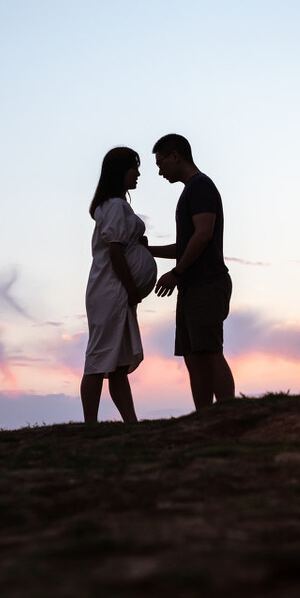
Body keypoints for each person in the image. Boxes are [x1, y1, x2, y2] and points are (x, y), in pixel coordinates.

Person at [149, 134, 235, 410]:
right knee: (192, 354)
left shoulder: (200, 186)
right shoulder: (191, 190)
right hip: (192, 285)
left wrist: (176, 273)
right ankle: (204, 417)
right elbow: (186, 244)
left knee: (209, 352)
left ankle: (227, 414)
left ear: (175, 155)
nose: (159, 170)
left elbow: (203, 234)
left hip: (207, 283)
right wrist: (148, 250)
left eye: (160, 162)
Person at [83, 147, 157, 424]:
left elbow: (122, 245)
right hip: (112, 291)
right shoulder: (115, 205)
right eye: (133, 168)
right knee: (99, 358)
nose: (138, 174)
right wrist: (132, 290)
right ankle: (90, 423)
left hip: (115, 293)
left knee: (117, 365)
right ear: (120, 172)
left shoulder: (114, 206)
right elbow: (115, 252)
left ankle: (131, 423)